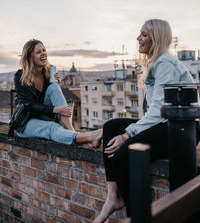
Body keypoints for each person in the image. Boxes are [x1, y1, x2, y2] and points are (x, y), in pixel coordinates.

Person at [94, 19, 200, 222]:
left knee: (122, 155)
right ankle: (114, 196)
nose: (138, 38)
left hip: (182, 129)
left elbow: (158, 111)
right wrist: (126, 131)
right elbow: (152, 112)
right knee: (110, 127)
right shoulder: (155, 63)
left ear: (156, 38)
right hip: (165, 124)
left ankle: (136, 216)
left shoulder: (165, 64)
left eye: (144, 35)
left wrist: (128, 134)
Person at [9, 39, 102, 147]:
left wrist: (53, 82)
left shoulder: (48, 73)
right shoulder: (20, 76)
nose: (43, 53)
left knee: (54, 87)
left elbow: (52, 95)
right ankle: (88, 137)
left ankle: (70, 130)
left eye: (44, 50)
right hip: (25, 123)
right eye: (39, 52)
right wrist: (55, 110)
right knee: (51, 127)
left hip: (42, 117)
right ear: (30, 57)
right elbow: (28, 105)